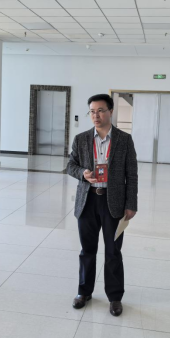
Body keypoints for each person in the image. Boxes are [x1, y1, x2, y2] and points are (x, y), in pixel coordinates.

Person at [67, 94, 138, 317]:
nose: (96, 115)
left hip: (113, 203)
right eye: (92, 111)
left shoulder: (124, 140)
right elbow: (70, 165)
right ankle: (84, 291)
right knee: (87, 250)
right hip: (87, 201)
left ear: (110, 112)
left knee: (113, 251)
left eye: (100, 110)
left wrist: (131, 204)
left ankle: (115, 297)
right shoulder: (81, 139)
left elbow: (132, 174)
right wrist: (83, 173)